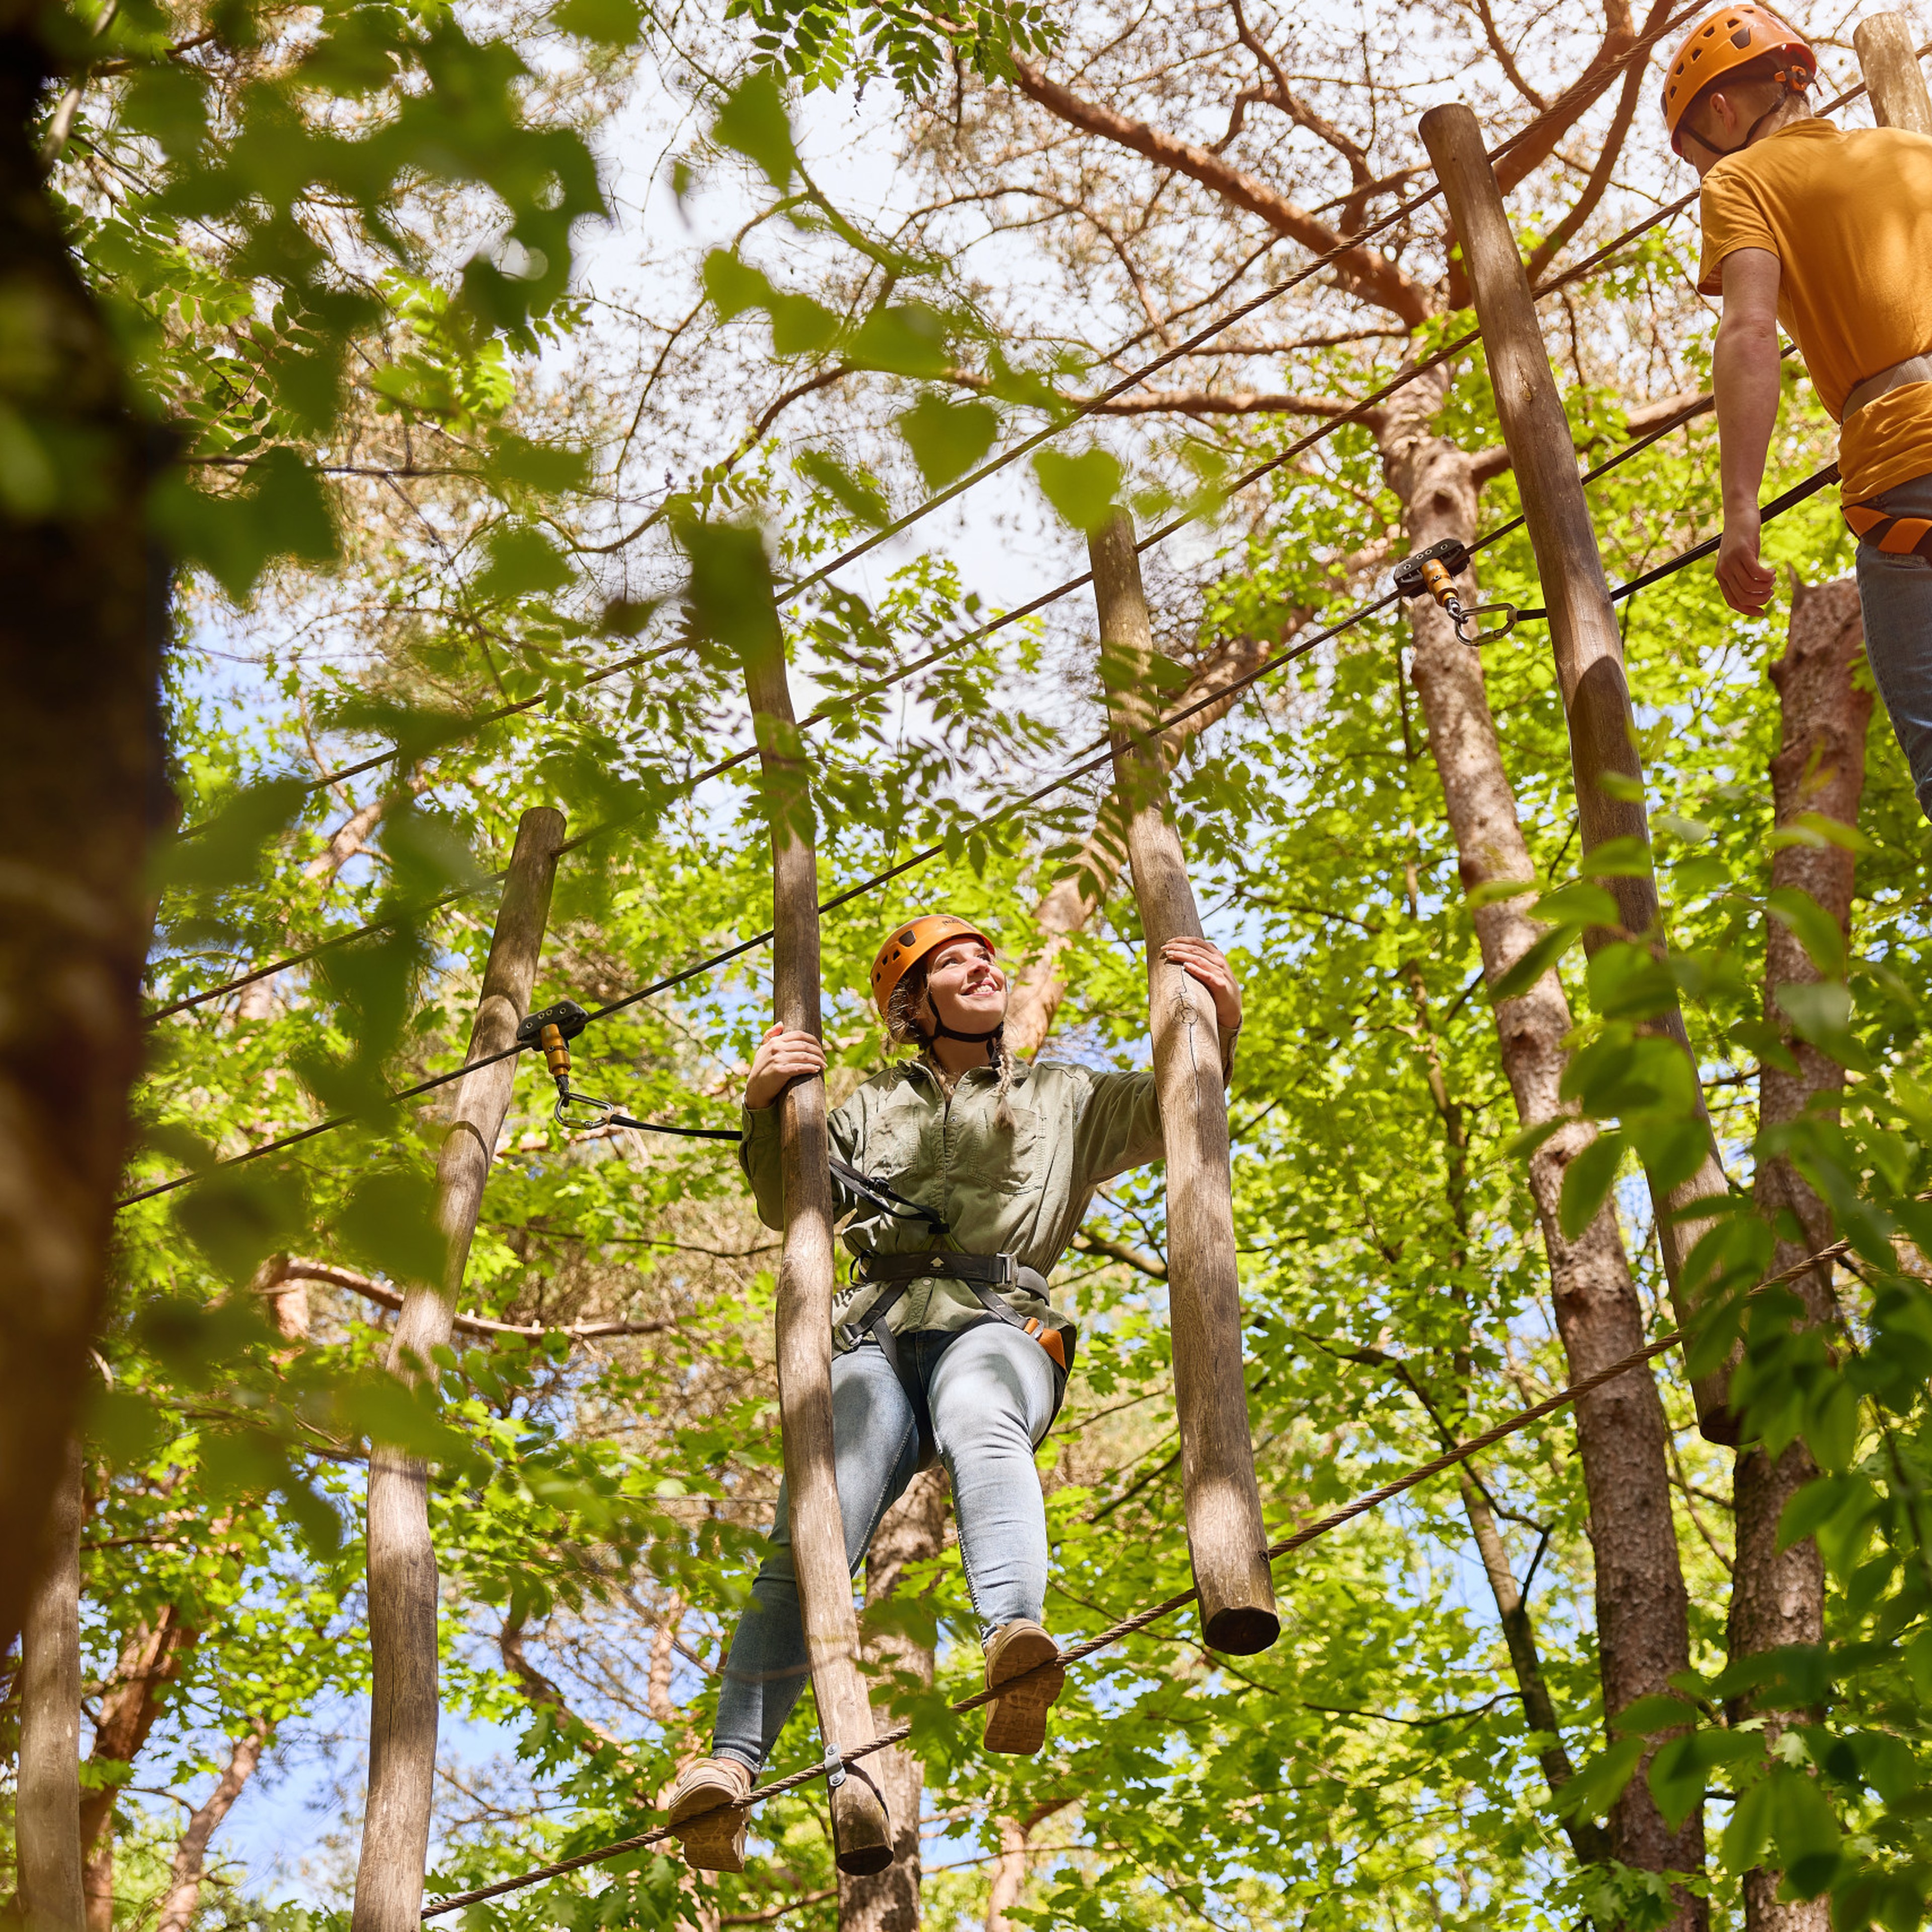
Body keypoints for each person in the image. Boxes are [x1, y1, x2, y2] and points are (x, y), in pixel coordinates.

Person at [663, 911, 1243, 1870]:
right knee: (813, 1525)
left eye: (988, 956)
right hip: (876, 1329)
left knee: (982, 1413)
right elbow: (788, 1200)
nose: (984, 967)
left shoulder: (1063, 1096)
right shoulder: (860, 1107)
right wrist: (767, 1104)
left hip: (995, 1318)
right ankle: (729, 1770)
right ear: (912, 1004)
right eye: (955, 962)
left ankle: (1016, 1640)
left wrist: (1215, 1024)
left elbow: (1177, 1108)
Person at [1666, 3, 1932, 816]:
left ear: (1722, 110)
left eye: (1692, 154)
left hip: (1911, 470)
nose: (1699, 170)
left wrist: (1740, 506)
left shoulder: (1740, 180)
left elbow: (1749, 331)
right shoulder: (1916, 150)